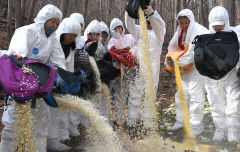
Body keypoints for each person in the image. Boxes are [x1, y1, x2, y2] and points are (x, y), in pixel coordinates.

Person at [0, 4, 65, 152]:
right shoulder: (27, 31)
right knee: (12, 124)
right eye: (52, 21)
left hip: (41, 84)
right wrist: (20, 63)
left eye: (56, 23)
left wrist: (61, 77)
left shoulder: (53, 39)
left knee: (41, 121)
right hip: (21, 83)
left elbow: (58, 61)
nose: (54, 25)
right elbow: (17, 55)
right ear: (43, 19)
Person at [168, 9, 208, 136]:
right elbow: (172, 46)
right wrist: (170, 58)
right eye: (181, 23)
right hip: (184, 69)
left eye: (186, 23)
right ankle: (181, 120)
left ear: (191, 21)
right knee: (181, 94)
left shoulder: (199, 31)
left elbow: (193, 53)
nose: (184, 26)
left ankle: (196, 127)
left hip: (198, 68)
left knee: (196, 96)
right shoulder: (179, 31)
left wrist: (176, 62)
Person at [125, 4, 166, 128]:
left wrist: (150, 11)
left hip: (153, 69)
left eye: (150, 23)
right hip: (140, 68)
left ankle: (147, 121)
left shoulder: (158, 35)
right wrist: (129, 11)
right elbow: (129, 25)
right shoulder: (139, 31)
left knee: (150, 94)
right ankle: (132, 119)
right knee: (135, 93)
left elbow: (160, 25)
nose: (148, 25)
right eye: (146, 22)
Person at [205, 6, 240, 143]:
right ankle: (220, 130)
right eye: (215, 27)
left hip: (232, 75)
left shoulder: (236, 34)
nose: (218, 29)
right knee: (216, 105)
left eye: (221, 26)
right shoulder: (206, 37)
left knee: (234, 104)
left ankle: (233, 131)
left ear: (226, 22)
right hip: (213, 77)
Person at [47, 18, 81, 151]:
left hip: (61, 84)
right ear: (63, 33)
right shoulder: (52, 43)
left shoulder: (71, 49)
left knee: (58, 112)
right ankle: (41, 140)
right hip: (49, 81)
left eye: (75, 36)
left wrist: (71, 81)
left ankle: (54, 139)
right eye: (71, 35)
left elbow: (70, 66)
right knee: (45, 113)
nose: (72, 39)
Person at [108, 17, 138, 126]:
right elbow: (112, 52)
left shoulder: (129, 37)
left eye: (120, 28)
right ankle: (119, 117)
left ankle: (132, 118)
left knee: (131, 94)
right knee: (119, 95)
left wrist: (130, 54)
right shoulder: (112, 41)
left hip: (131, 70)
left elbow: (136, 46)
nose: (118, 31)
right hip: (118, 71)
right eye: (115, 29)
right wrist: (120, 58)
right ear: (112, 30)